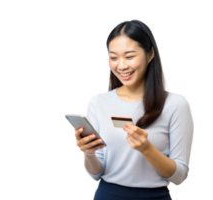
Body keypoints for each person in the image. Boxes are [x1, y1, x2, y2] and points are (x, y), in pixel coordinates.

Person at [73, 19, 194, 200]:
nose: (121, 66)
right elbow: (95, 174)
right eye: (114, 57)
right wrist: (88, 153)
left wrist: (146, 149)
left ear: (150, 54)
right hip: (106, 195)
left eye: (129, 56)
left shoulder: (176, 104)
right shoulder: (97, 102)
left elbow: (179, 177)